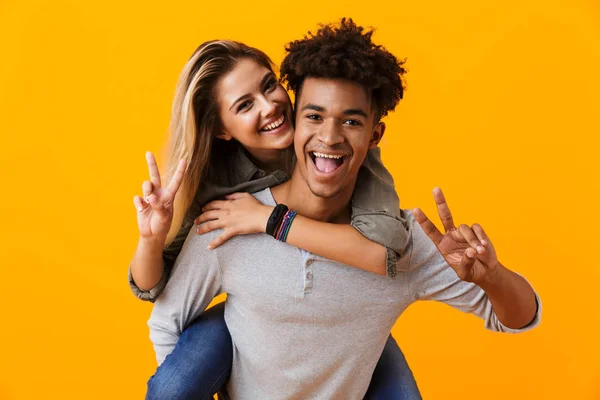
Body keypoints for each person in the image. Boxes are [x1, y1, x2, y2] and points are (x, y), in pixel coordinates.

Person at [148, 18, 541, 399]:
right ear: (295, 123)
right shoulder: (232, 220)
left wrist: (493, 277)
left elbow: (519, 318)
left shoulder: (404, 242)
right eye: (315, 116)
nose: (330, 137)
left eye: (351, 122)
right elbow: (167, 325)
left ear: (375, 135)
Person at [131, 34, 420, 400]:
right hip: (256, 315)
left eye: (270, 86)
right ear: (222, 130)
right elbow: (157, 290)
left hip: (342, 317)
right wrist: (151, 241)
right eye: (245, 105)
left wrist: (270, 218)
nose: (269, 107)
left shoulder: (337, 145)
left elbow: (383, 255)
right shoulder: (217, 184)